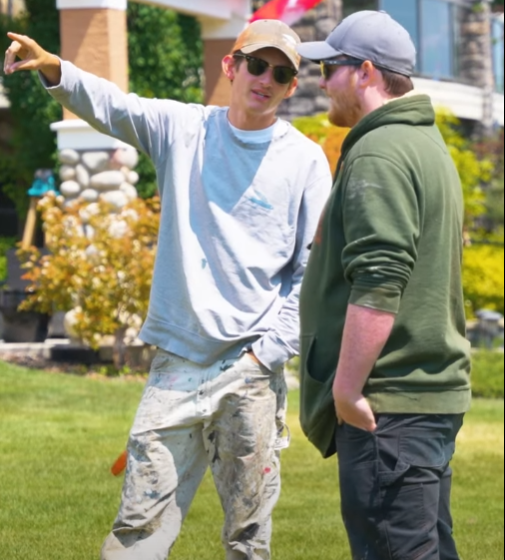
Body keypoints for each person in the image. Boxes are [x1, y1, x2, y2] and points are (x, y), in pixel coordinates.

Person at [4, 20, 332, 560]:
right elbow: (114, 106)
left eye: (281, 74)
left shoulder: (305, 161)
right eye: (257, 65)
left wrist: (266, 354)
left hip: (251, 367)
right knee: (139, 523)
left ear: (292, 86)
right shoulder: (184, 128)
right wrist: (54, 68)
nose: (266, 80)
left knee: (248, 537)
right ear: (231, 66)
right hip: (177, 362)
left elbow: (313, 271)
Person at [296, 10, 472, 560]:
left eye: (330, 69)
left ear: (366, 72)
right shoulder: (424, 144)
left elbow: (380, 277)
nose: (321, 82)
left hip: (389, 404)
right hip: (420, 402)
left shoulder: (380, 150)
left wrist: (347, 390)